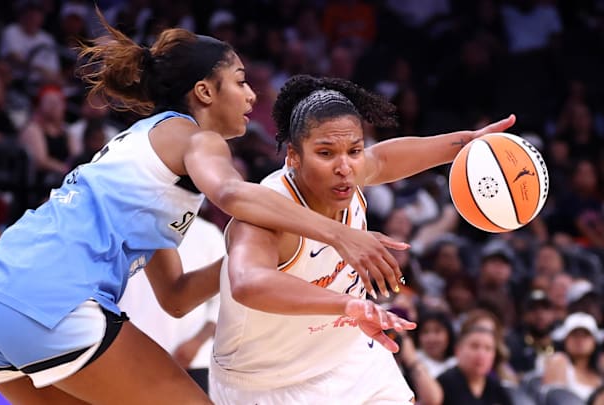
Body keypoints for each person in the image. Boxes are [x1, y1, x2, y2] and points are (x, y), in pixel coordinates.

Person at [0, 18, 416, 404]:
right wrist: (338, 235)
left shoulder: (144, 157)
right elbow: (233, 195)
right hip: (48, 297)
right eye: (239, 81)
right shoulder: (195, 138)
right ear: (203, 92)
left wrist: (269, 255)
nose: (252, 96)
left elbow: (176, 295)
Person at [210, 74, 516, 404]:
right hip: (267, 380)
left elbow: (383, 158)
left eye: (355, 151)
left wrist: (466, 143)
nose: (345, 167)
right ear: (293, 157)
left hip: (348, 358)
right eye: (325, 153)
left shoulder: (349, 174)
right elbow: (247, 282)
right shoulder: (267, 213)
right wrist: (348, 305)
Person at [118, 216, 225, 393]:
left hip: (193, 361)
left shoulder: (208, 233)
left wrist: (196, 342)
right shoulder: (130, 224)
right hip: (130, 357)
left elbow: (222, 301)